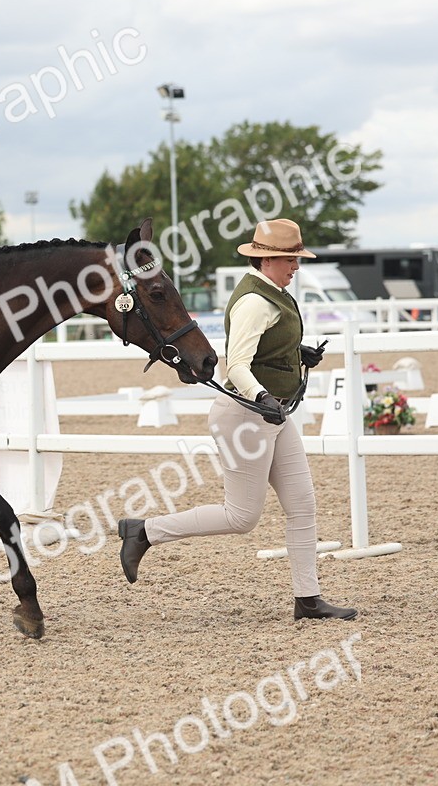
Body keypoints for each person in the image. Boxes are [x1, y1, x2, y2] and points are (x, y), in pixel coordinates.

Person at [117, 218, 356, 621]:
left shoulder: (273, 293)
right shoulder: (253, 302)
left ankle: (308, 599)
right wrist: (262, 396)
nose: (296, 266)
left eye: (296, 259)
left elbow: (267, 350)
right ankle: (144, 531)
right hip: (247, 415)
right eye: (290, 259)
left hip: (272, 413)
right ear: (267, 260)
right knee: (241, 517)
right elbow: (239, 365)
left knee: (303, 505)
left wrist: (299, 355)